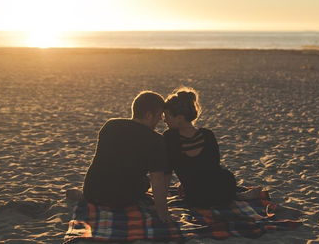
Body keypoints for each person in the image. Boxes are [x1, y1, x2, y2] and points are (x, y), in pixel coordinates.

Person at [82, 91, 170, 221]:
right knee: (144, 182)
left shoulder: (110, 125)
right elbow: (157, 181)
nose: (161, 119)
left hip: (91, 191)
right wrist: (163, 214)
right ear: (149, 115)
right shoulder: (155, 140)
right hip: (120, 198)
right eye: (159, 115)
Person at [163, 88, 238, 207]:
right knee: (225, 176)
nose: (164, 120)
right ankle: (239, 196)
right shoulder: (207, 135)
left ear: (180, 118)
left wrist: (162, 201)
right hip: (222, 192)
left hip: (196, 197)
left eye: (167, 116)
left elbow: (166, 172)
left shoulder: (169, 138)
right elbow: (212, 167)